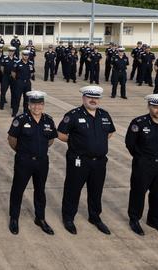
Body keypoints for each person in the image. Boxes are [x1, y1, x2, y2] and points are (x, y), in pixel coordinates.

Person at [57, 86, 116, 235]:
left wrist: (96, 143)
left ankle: (95, 217)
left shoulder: (104, 115)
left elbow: (109, 133)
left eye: (96, 98)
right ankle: (69, 218)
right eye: (90, 97)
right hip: (79, 160)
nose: (93, 100)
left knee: (96, 190)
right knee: (73, 189)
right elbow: (60, 133)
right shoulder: (73, 115)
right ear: (83, 98)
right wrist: (77, 142)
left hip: (99, 162)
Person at [7, 91, 57, 235]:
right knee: (18, 190)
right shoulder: (21, 120)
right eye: (34, 104)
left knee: (40, 190)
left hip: (42, 161)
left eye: (40, 104)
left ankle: (40, 218)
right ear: (29, 105)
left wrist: (39, 151)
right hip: (24, 161)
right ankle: (14, 218)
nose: (37, 107)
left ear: (43, 105)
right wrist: (23, 152)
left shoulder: (48, 120)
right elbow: (12, 139)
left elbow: (51, 140)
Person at [125, 94, 158, 236]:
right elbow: (130, 144)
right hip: (143, 165)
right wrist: (141, 157)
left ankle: (154, 220)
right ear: (149, 106)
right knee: (138, 193)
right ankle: (134, 219)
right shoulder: (138, 123)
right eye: (156, 107)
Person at [11, 50, 34, 117]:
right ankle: (14, 112)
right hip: (19, 83)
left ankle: (26, 112)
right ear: (22, 55)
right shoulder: (17, 63)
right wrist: (18, 80)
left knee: (27, 98)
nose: (25, 56)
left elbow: (32, 72)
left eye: (27, 55)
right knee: (17, 98)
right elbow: (13, 73)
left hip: (27, 83)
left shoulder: (30, 63)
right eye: (24, 55)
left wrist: (28, 78)